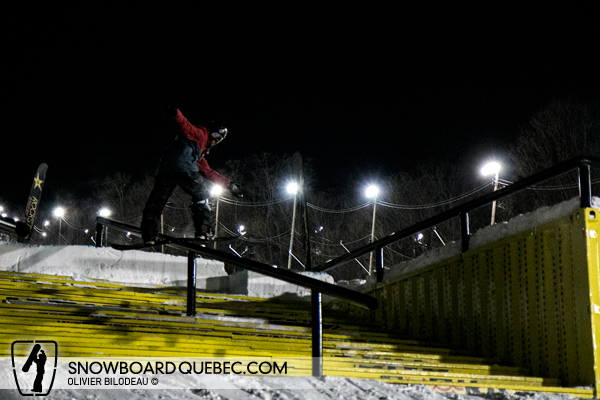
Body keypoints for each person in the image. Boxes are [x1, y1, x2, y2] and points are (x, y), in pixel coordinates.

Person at [141, 105, 242, 245]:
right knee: (202, 193)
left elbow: (207, 171)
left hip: (165, 168)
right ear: (211, 132)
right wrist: (175, 113)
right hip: (184, 167)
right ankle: (203, 230)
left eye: (219, 139)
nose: (215, 141)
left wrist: (229, 184)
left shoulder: (197, 151)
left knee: (157, 201)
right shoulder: (201, 134)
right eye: (216, 136)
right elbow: (185, 125)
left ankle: (149, 234)